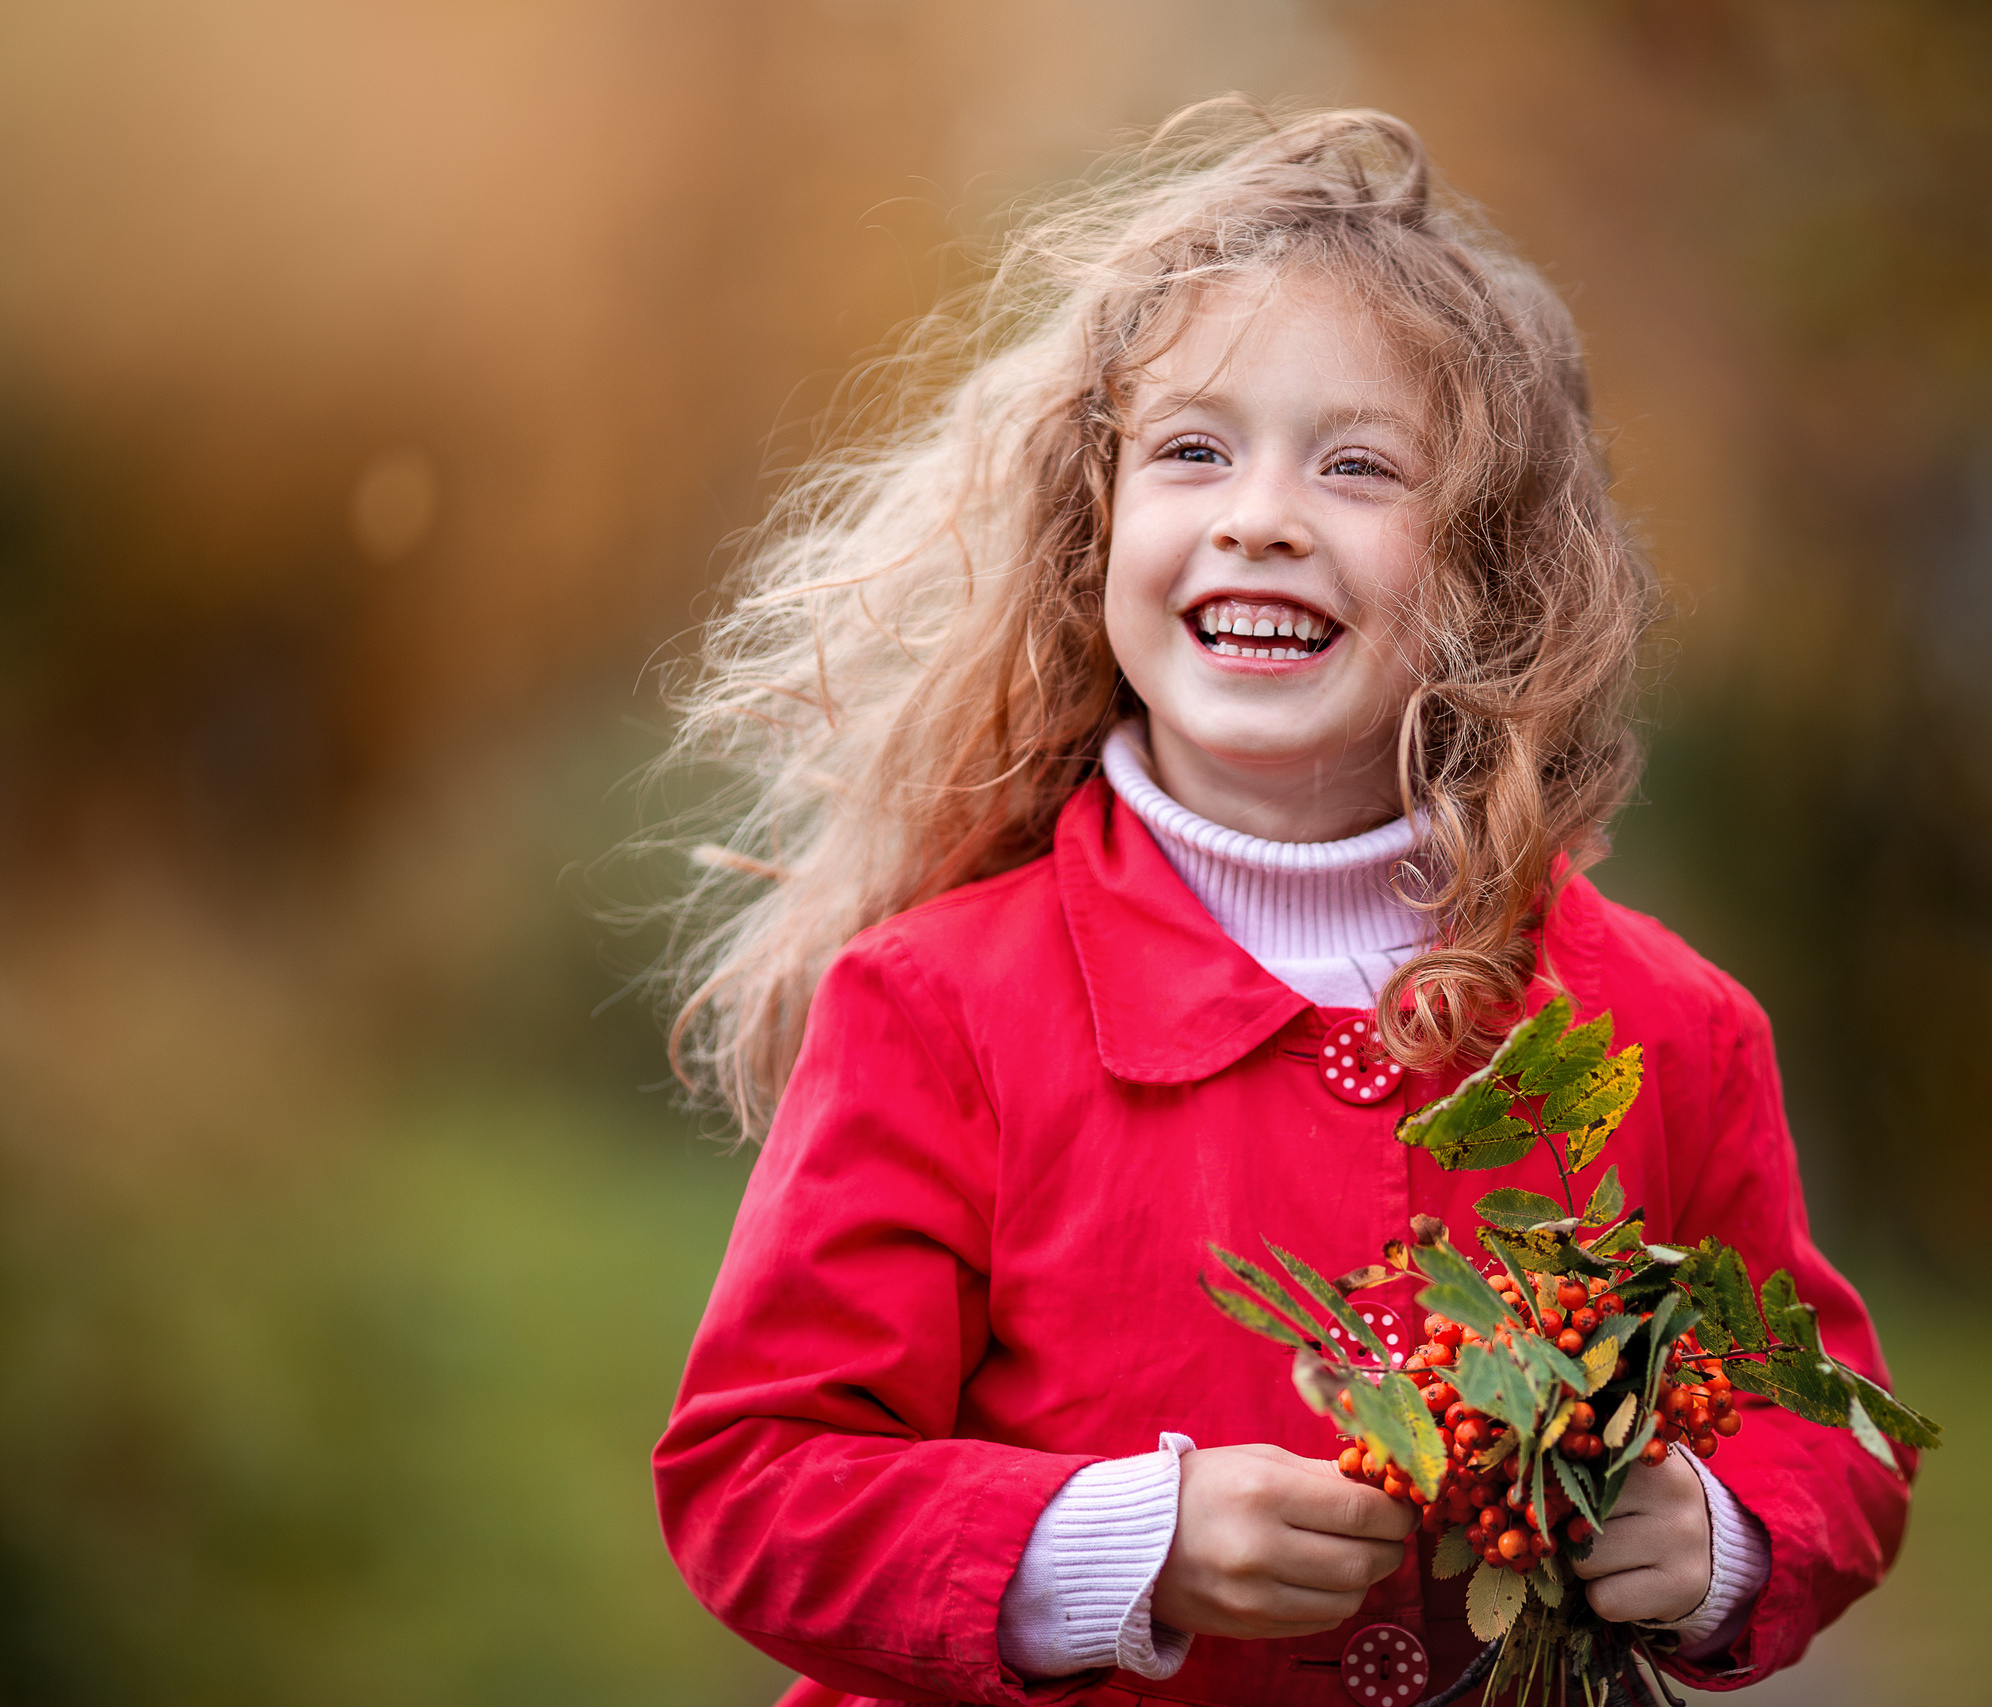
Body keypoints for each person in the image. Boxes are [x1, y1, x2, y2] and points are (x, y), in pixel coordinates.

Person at [651, 104, 1911, 1707]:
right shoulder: (939, 1005)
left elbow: (1826, 1420)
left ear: (1495, 575)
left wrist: (1725, 1538)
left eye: (1358, 464)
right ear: (1096, 530)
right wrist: (1128, 1544)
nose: (1259, 514)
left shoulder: (1663, 1030)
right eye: (1192, 449)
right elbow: (759, 1479)